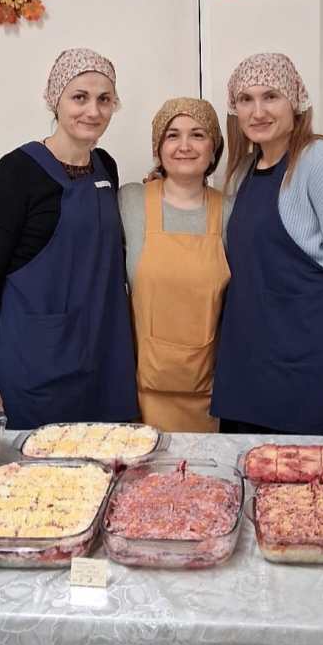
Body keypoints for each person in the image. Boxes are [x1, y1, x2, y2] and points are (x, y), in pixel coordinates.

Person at [211, 52, 323, 436]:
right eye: (246, 99)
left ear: (296, 102)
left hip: (314, 371)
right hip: (252, 371)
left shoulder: (317, 162)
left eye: (271, 96)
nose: (258, 111)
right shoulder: (242, 173)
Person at [0, 47, 138, 429]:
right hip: (35, 365)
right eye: (80, 97)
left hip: (103, 358)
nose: (93, 111)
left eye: (104, 99)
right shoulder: (15, 173)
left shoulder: (105, 167)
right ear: (55, 100)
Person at [119, 98, 231, 432]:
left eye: (197, 134)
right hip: (139, 393)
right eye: (172, 135)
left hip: (209, 394)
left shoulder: (230, 211)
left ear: (214, 148)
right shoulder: (130, 201)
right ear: (158, 148)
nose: (184, 146)